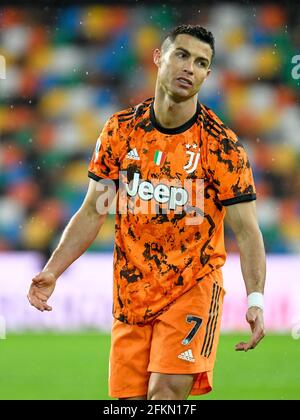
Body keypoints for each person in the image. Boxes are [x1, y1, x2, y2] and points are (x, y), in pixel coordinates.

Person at [27, 24, 266, 400]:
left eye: (201, 62)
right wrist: (52, 271)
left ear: (208, 74)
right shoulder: (120, 131)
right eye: (182, 55)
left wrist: (255, 300)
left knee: (165, 395)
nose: (190, 67)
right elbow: (93, 210)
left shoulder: (222, 147)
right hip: (132, 294)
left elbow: (248, 230)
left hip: (193, 288)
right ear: (159, 58)